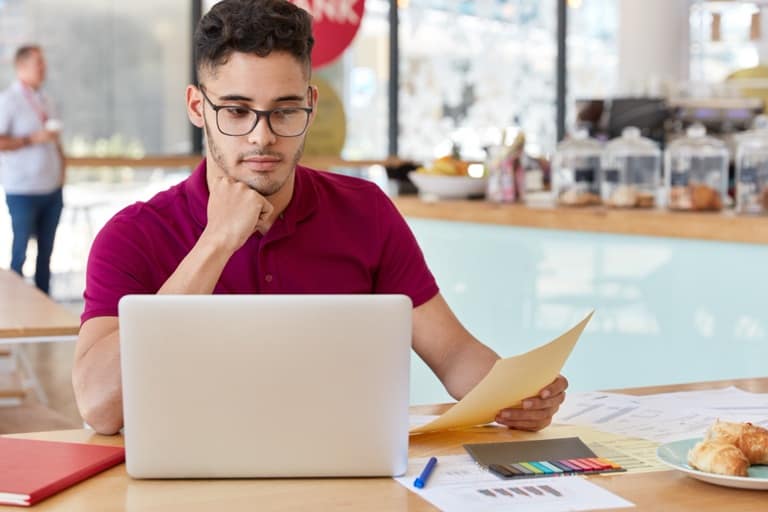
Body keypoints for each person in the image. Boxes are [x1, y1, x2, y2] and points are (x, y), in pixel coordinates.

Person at [72, 0, 568, 435]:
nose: (262, 137)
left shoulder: (365, 211)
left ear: (309, 104)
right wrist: (215, 242)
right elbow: (100, 408)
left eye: (283, 111)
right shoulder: (132, 235)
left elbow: (454, 355)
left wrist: (516, 395)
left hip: (347, 480)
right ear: (197, 107)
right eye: (237, 111)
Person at [0, 45, 65, 295]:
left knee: (46, 254)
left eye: (44, 62)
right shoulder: (9, 100)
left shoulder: (47, 100)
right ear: (21, 67)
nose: (43, 68)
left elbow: (57, 142)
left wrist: (62, 175)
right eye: (38, 63)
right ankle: (15, 308)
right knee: (20, 252)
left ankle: (44, 305)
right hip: (22, 190)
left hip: (51, 188)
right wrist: (31, 139)